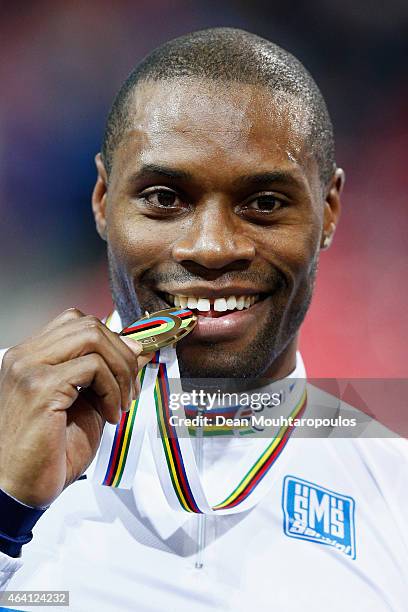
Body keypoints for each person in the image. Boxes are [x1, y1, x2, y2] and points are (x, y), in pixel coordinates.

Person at [0, 27, 407, 612]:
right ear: (101, 200)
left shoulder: (395, 487)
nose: (212, 248)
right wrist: (6, 508)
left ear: (329, 211)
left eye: (265, 203)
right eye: (165, 197)